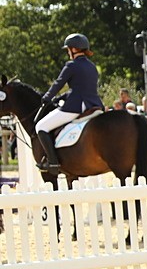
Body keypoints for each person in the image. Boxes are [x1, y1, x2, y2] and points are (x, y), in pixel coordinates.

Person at [35, 33, 103, 171]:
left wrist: (47, 97)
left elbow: (58, 83)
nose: (68, 53)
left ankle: (53, 163)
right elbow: (81, 88)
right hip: (94, 105)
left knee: (41, 127)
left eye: (68, 50)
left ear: (73, 49)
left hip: (76, 106)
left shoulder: (71, 65)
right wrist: (62, 97)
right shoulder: (92, 66)